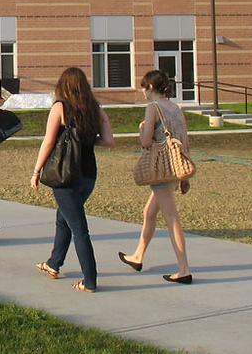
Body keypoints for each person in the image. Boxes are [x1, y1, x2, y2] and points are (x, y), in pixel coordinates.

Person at [30, 67, 115, 293]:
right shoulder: (95, 109)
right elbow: (108, 140)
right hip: (88, 176)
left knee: (79, 228)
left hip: (65, 176)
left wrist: (36, 170)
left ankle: (90, 280)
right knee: (64, 218)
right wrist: (86, 141)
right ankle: (53, 263)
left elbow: (48, 142)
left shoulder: (60, 107)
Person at [118, 69, 193, 284]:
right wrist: (185, 176)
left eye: (143, 86)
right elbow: (184, 140)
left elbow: (146, 142)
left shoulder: (153, 108)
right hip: (175, 167)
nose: (142, 91)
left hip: (161, 168)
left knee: (171, 217)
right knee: (149, 212)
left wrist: (142, 128)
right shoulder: (175, 108)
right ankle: (138, 256)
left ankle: (183, 268)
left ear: (150, 87)